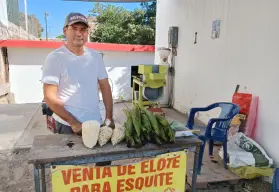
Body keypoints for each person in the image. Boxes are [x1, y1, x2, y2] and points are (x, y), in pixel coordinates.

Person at [41, 12, 114, 164]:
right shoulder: (55, 58)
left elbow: (105, 87)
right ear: (65, 31)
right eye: (74, 28)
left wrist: (109, 116)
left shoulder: (95, 57)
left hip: (96, 122)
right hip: (68, 125)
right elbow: (49, 96)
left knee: (103, 167)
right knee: (72, 174)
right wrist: (73, 122)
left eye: (83, 29)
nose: (79, 33)